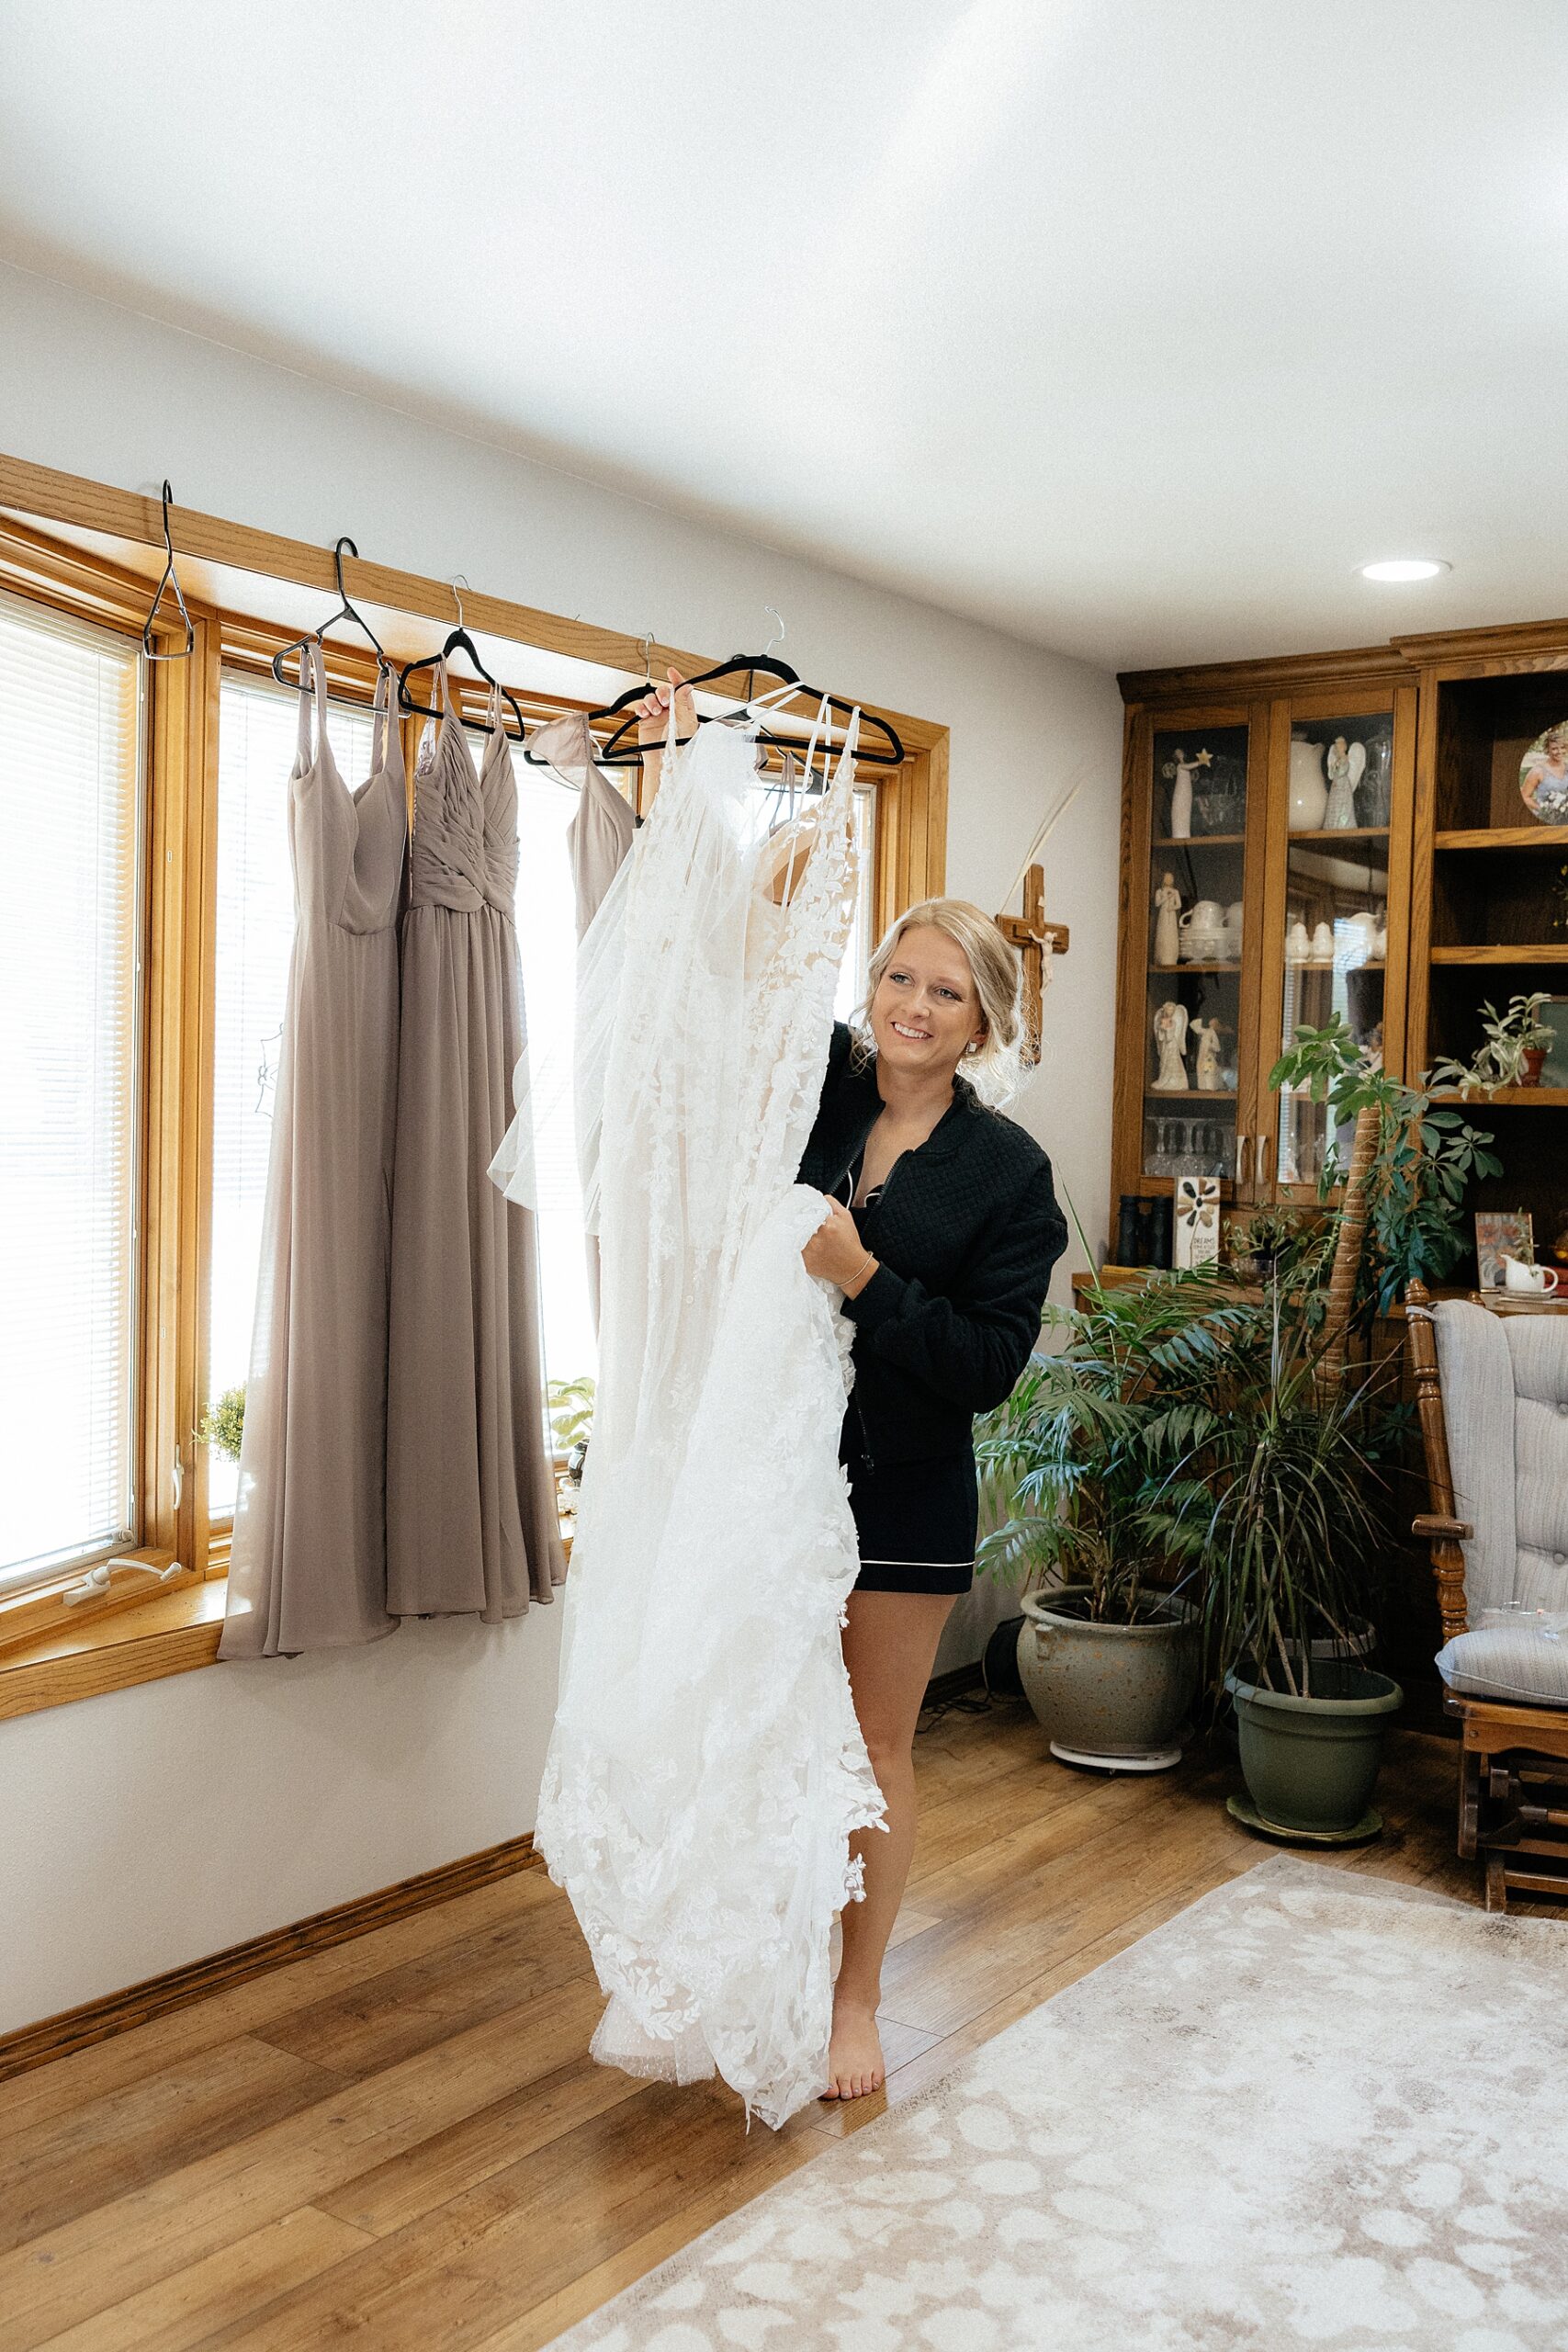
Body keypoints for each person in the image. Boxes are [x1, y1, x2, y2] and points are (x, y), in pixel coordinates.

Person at [635, 673, 1067, 2106]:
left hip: (904, 1486)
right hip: (768, 1467)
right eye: (899, 978)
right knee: (764, 1718)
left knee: (872, 1749)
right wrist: (742, 791)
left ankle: (858, 2000)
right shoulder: (818, 1083)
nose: (915, 1008)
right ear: (870, 987)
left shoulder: (1010, 1176)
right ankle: (753, 1962)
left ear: (983, 1023)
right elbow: (728, 972)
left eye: (948, 993)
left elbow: (991, 1369)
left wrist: (863, 1275)